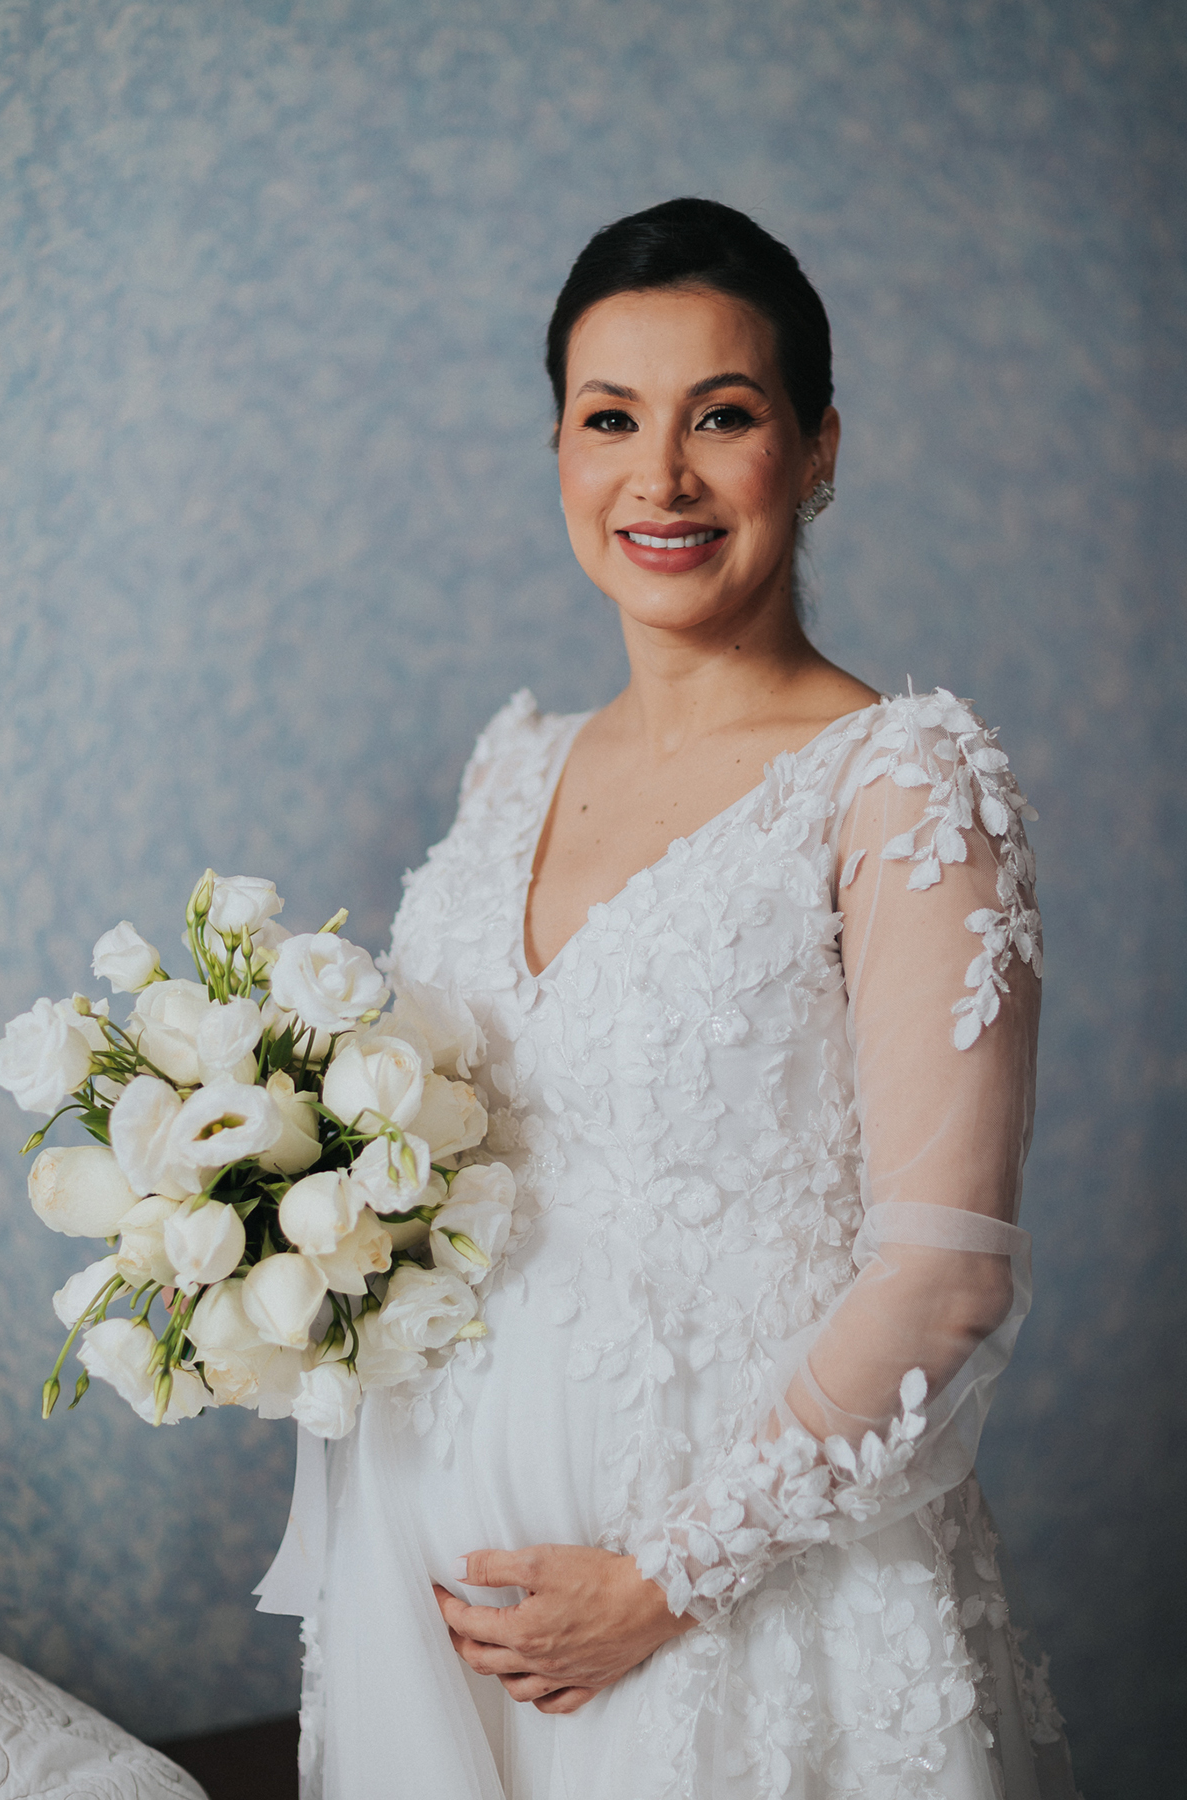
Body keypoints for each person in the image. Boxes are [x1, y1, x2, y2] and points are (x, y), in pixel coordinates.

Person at [264, 198, 1079, 1799]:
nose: (662, 478)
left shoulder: (904, 787)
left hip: (738, 1622)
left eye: (725, 416)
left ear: (818, 445)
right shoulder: (514, 764)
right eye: (610, 419)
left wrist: (659, 1590)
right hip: (441, 1581)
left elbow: (944, 1283)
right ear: (558, 450)